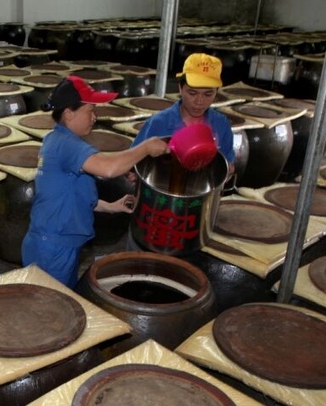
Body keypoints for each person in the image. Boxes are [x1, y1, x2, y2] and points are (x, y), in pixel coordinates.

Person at [21, 75, 169, 288]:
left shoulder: (56, 139)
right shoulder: (67, 145)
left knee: (63, 303)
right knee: (54, 310)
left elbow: (66, 193)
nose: (94, 117)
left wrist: (109, 206)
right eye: (90, 111)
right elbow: (109, 169)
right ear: (69, 114)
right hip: (53, 249)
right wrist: (145, 147)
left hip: (55, 243)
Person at [132, 53, 235, 174]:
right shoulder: (159, 123)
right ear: (180, 89)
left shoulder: (221, 124)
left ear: (216, 92)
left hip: (202, 188)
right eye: (192, 93)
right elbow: (132, 163)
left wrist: (228, 171)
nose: (199, 101)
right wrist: (133, 174)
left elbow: (228, 162)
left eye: (208, 94)